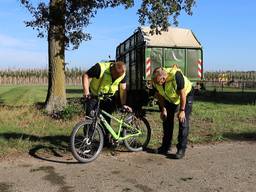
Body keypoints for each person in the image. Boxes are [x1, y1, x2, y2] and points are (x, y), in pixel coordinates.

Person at [82, 61, 132, 146]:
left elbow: (123, 89)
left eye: (118, 77)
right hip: (94, 95)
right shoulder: (100, 68)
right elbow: (85, 76)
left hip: (108, 97)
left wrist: (123, 104)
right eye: (115, 75)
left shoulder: (122, 74)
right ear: (112, 69)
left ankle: (106, 141)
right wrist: (86, 92)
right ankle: (87, 142)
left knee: (106, 119)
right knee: (90, 119)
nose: (116, 78)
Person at [151, 66, 194, 159]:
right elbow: (159, 95)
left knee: (183, 121)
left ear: (163, 78)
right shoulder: (155, 80)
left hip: (186, 95)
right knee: (166, 121)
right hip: (170, 98)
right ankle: (165, 147)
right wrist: (163, 109)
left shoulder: (176, 75)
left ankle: (181, 149)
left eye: (159, 82)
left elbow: (182, 94)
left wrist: (182, 111)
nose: (157, 84)